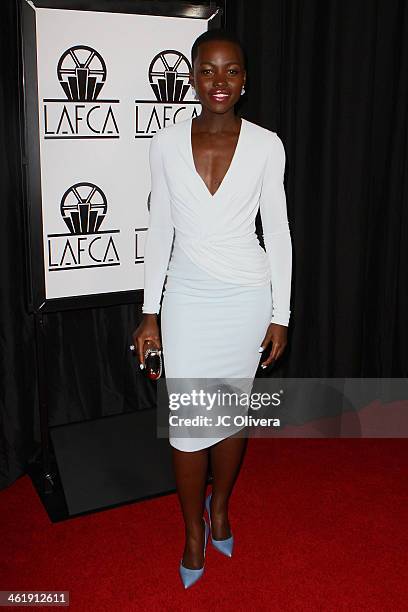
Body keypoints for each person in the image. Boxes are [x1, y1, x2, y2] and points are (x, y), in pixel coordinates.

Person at [132, 27, 292, 588]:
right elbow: (159, 230)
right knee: (186, 425)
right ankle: (193, 532)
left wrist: (282, 313)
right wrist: (150, 312)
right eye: (207, 70)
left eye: (231, 71)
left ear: (244, 81)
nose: (218, 80)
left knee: (229, 417)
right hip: (188, 299)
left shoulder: (268, 144)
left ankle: (220, 507)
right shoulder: (166, 141)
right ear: (192, 78)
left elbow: (278, 231)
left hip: (248, 297)